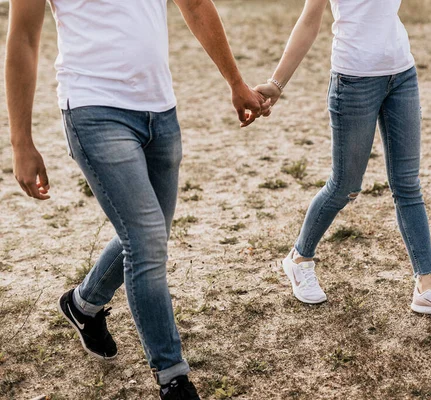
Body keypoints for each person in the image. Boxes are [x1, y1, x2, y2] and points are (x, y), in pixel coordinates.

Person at [6, 0, 268, 398]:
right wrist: (21, 142)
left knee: (148, 236)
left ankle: (83, 304)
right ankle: (173, 378)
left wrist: (236, 82)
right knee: (146, 242)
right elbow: (23, 37)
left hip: (159, 110)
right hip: (93, 112)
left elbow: (195, 4)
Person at [255, 0, 431, 318]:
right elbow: (309, 20)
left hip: (402, 76)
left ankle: (427, 288)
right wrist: (277, 84)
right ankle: (299, 259)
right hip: (354, 83)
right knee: (345, 185)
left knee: (407, 184)